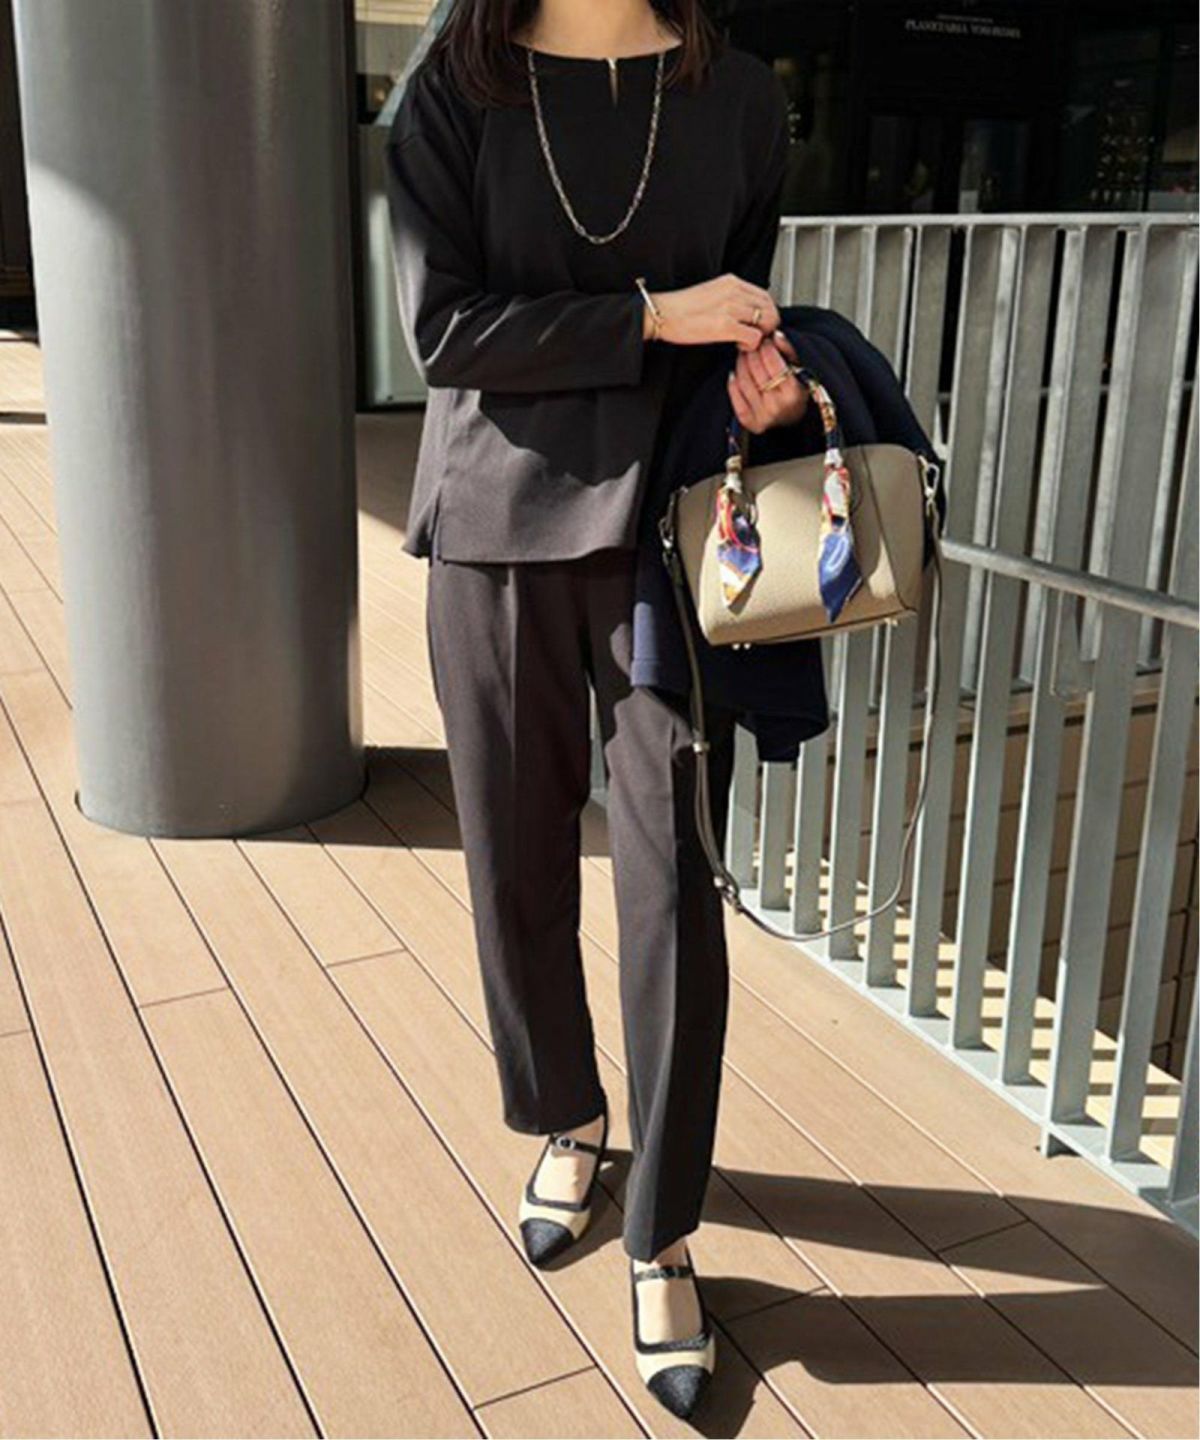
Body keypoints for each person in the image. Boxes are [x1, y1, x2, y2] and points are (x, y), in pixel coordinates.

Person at [384, 0, 810, 1417]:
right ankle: (567, 1115)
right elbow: (445, 329)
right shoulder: (452, 90)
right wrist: (649, 316)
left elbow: (737, 326)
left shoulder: (739, 98)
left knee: (673, 887)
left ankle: (663, 1231)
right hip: (495, 528)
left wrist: (762, 393)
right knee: (513, 862)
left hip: (672, 539)